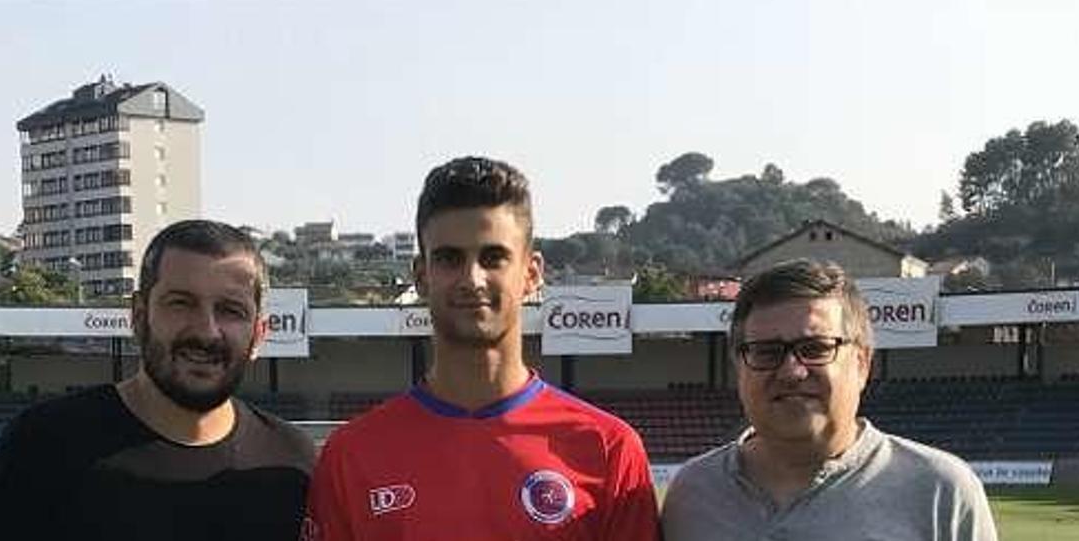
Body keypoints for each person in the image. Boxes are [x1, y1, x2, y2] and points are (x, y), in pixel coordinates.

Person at [303, 156, 661, 540]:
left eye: (493, 258)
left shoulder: (608, 450)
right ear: (421, 276)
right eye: (449, 259)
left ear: (531, 273)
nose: (472, 279)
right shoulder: (351, 456)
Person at [0, 220, 315, 541]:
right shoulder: (46, 444)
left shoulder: (293, 461)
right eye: (181, 303)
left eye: (230, 311)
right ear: (139, 316)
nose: (207, 331)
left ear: (258, 334)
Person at [661, 259, 997, 540]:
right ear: (739, 367)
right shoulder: (692, 495)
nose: (792, 371)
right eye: (766, 352)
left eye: (816, 349)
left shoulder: (941, 492)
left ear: (862, 364)